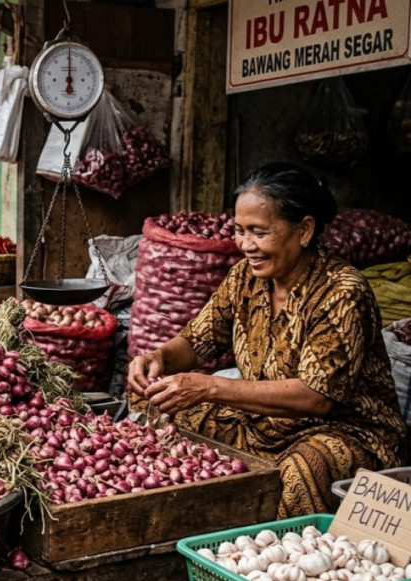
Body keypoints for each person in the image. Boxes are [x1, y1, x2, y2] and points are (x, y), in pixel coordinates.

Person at [127, 163, 408, 518]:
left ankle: (281, 553)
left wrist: (209, 387)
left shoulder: (342, 292)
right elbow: (198, 341)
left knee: (304, 471)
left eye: (259, 232)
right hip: (267, 422)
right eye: (240, 231)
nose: (246, 245)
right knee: (155, 401)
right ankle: (185, 518)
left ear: (304, 230)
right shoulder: (246, 277)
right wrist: (159, 358)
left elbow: (316, 398)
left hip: (344, 430)